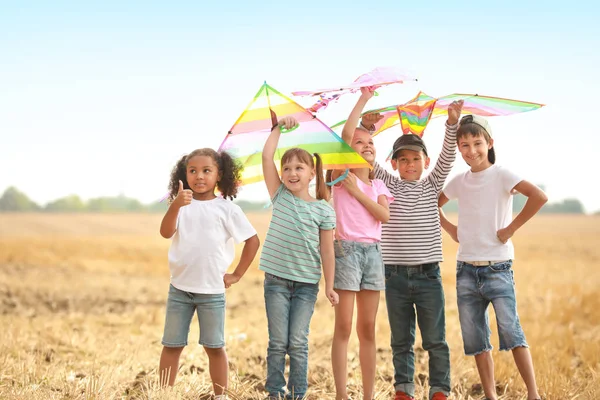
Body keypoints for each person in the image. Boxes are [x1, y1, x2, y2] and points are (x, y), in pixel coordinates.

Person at [438, 115, 547, 400]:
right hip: (465, 270)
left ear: (489, 143)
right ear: (458, 147)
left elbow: (538, 196)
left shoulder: (502, 175)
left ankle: (533, 394)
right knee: (476, 340)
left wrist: (511, 228)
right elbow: (432, 203)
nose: (470, 150)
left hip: (497, 267)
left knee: (512, 332)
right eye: (464, 145)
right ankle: (490, 395)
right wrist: (451, 229)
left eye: (477, 143)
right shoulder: (459, 181)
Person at [369, 100, 464, 400]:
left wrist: (452, 124)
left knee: (435, 339)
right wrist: (365, 129)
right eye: (403, 160)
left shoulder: (432, 185)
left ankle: (439, 390)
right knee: (400, 340)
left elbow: (448, 157)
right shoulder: (386, 186)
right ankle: (404, 390)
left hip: (428, 276)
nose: (410, 164)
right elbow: (363, 158)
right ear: (393, 164)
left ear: (426, 160)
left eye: (416, 158)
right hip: (393, 276)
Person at [158, 148, 260, 400]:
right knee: (172, 344)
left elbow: (252, 241)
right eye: (192, 171)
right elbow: (165, 232)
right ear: (184, 175)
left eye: (206, 171)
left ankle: (220, 396)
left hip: (212, 291)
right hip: (180, 288)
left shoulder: (227, 209)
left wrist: (236, 275)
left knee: (214, 346)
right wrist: (175, 206)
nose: (199, 176)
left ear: (219, 175)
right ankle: (163, 394)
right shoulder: (181, 205)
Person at [260, 112, 339, 400]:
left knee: (298, 342)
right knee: (278, 342)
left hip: (306, 285)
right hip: (276, 282)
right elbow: (266, 157)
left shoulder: (323, 208)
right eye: (288, 168)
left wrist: (330, 286)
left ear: (311, 173)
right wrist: (278, 128)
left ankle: (298, 394)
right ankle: (274, 393)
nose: (292, 173)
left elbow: (327, 251)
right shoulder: (279, 195)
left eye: (299, 168)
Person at [330, 87, 393, 400]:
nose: (366, 146)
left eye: (370, 143)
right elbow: (346, 132)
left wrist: (358, 192)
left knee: (367, 329)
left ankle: (368, 395)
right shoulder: (339, 178)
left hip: (373, 255)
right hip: (347, 252)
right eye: (360, 142)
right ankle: (342, 394)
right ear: (348, 151)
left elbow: (384, 215)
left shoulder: (378, 183)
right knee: (343, 326)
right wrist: (364, 99)